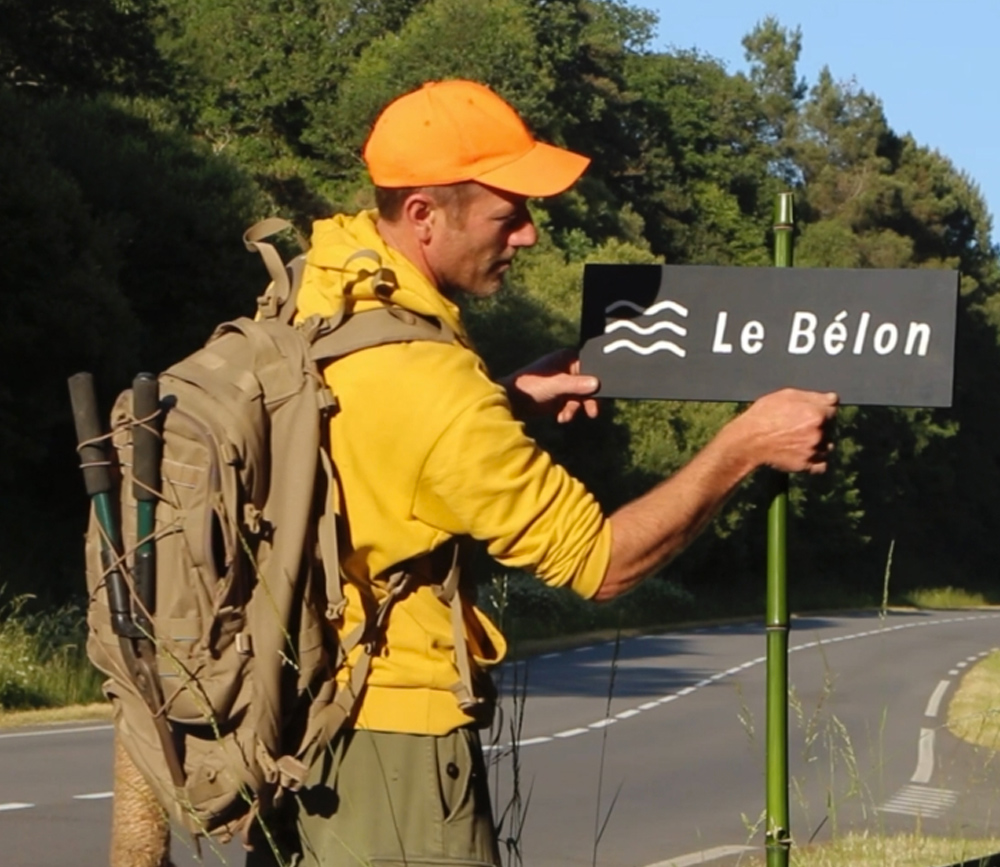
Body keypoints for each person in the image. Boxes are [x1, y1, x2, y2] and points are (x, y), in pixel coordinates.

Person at [247, 79, 837, 867]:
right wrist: (743, 445)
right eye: (506, 213)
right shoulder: (433, 389)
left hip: (290, 717)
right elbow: (605, 561)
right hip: (394, 742)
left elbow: (374, 449)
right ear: (423, 213)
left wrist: (505, 399)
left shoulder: (318, 290)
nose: (527, 235)